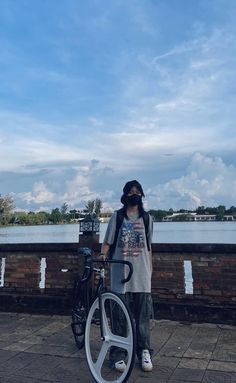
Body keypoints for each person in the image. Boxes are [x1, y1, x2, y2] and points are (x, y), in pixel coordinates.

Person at [101, 180, 153, 372]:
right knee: (119, 317)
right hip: (120, 275)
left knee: (142, 318)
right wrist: (102, 256)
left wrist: (150, 271)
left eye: (138, 191)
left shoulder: (147, 219)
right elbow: (107, 242)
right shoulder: (118, 217)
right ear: (125, 195)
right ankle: (118, 354)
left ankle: (144, 351)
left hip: (142, 274)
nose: (134, 194)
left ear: (142, 195)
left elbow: (149, 247)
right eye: (131, 191)